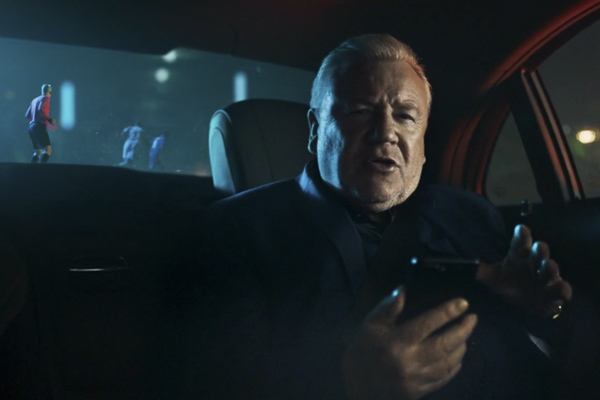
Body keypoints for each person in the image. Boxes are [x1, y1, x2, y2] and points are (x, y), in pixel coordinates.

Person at [194, 34, 593, 399]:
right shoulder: (236, 231)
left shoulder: (470, 216)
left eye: (405, 116)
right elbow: (220, 382)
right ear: (315, 129)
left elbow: (544, 364)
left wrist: (541, 313)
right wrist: (347, 384)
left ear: (422, 141)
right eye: (360, 111)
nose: (385, 132)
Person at [25, 84, 56, 163]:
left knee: (38, 152)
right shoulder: (46, 98)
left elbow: (27, 115)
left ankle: (31, 168)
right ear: (50, 92)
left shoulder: (34, 100)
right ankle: (41, 168)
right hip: (39, 126)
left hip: (31, 126)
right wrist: (50, 120)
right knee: (48, 150)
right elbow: (41, 110)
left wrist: (35, 117)